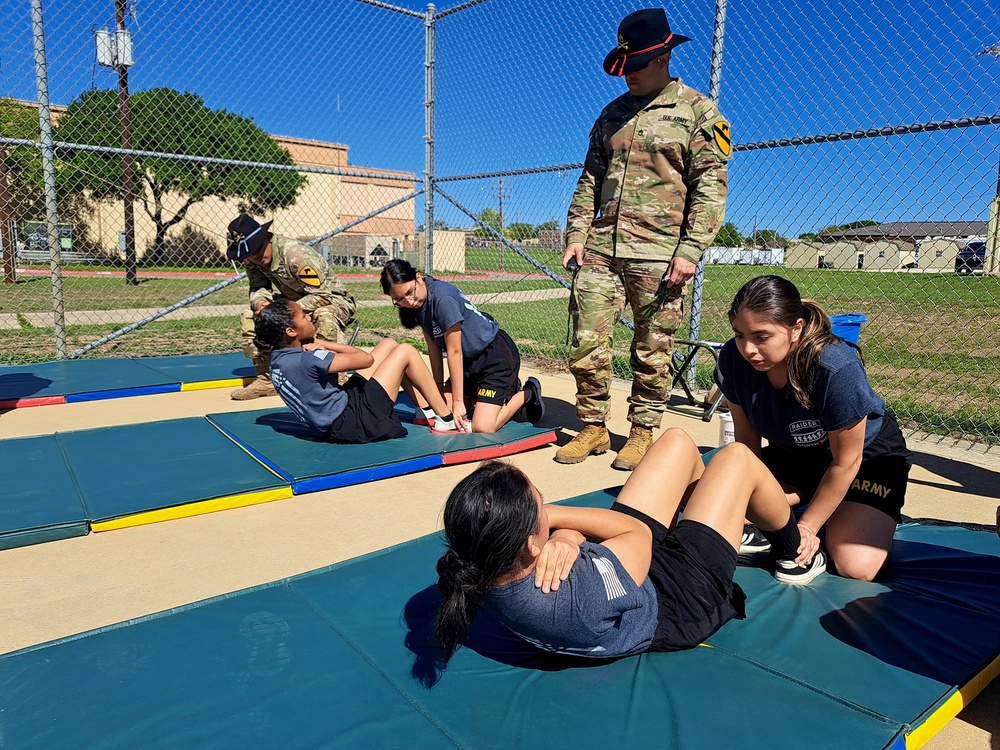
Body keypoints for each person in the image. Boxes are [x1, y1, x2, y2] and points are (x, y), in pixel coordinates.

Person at [433, 429, 825, 664]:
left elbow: (597, 539)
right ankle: (797, 551)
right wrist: (561, 522)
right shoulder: (575, 598)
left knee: (677, 443)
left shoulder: (477, 562)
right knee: (737, 459)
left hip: (626, 576)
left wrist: (565, 534)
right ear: (532, 545)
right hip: (677, 603)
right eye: (542, 505)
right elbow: (635, 533)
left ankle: (718, 525)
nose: (548, 510)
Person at [556, 7, 731, 470]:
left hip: (659, 253)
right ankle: (592, 427)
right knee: (585, 340)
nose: (628, 75)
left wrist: (691, 249)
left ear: (663, 59)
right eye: (625, 66)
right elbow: (590, 178)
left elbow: (711, 185)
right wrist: (576, 232)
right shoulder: (611, 114)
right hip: (600, 249)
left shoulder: (698, 111)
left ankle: (641, 432)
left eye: (637, 67)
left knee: (652, 348)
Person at [715, 275, 913, 582]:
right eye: (740, 335)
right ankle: (810, 499)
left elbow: (847, 461)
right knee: (721, 514)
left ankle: (839, 512)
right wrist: (746, 499)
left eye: (762, 336)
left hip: (866, 459)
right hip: (797, 455)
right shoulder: (732, 358)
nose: (748, 349)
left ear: (796, 328)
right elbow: (747, 448)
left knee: (856, 565)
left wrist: (807, 526)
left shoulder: (835, 366)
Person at [253, 297, 462, 443]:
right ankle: (446, 419)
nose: (308, 316)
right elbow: (365, 359)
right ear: (291, 331)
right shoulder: (308, 358)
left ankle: (423, 410)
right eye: (303, 316)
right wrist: (325, 344)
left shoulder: (277, 358)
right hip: (354, 422)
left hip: (339, 413)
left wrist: (318, 345)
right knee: (405, 351)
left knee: (389, 344)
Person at [379, 259, 545, 434]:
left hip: (495, 357)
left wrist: (458, 402)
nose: (409, 302)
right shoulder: (419, 303)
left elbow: (454, 352)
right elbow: (433, 347)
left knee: (483, 426)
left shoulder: (442, 299)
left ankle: (528, 392)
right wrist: (439, 389)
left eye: (410, 292)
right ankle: (489, 394)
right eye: (399, 300)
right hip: (469, 362)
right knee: (444, 412)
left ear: (418, 278)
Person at [226, 214, 357, 401]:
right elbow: (258, 286)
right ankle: (266, 379)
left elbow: (325, 294)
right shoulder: (252, 258)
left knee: (324, 315)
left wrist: (289, 309)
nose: (254, 258)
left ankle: (335, 379)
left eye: (257, 251)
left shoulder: (295, 254)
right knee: (251, 315)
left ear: (266, 238)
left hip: (331, 300)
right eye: (249, 255)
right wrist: (261, 303)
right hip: (292, 303)